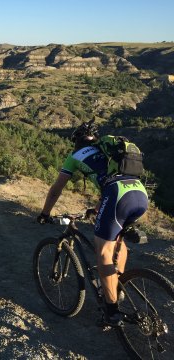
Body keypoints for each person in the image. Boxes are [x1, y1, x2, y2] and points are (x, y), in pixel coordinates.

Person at [37, 121, 148, 327]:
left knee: (103, 250)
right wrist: (96, 210)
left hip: (117, 195)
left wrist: (45, 213)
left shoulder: (75, 156)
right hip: (139, 192)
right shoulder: (108, 153)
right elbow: (111, 181)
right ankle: (117, 286)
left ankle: (111, 311)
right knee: (117, 239)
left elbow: (56, 189)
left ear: (76, 141)